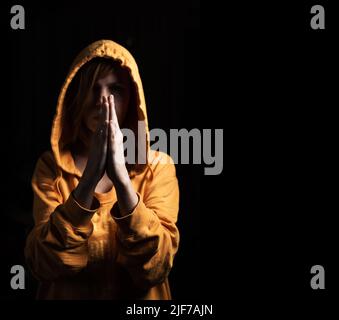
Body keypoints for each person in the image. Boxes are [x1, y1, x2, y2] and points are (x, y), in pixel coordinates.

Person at [25, 40, 180, 299]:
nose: (101, 100)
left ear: (132, 99)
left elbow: (155, 268)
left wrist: (121, 179)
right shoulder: (50, 168)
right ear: (76, 96)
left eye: (115, 89)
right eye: (92, 88)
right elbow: (45, 263)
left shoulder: (158, 167)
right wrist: (88, 182)